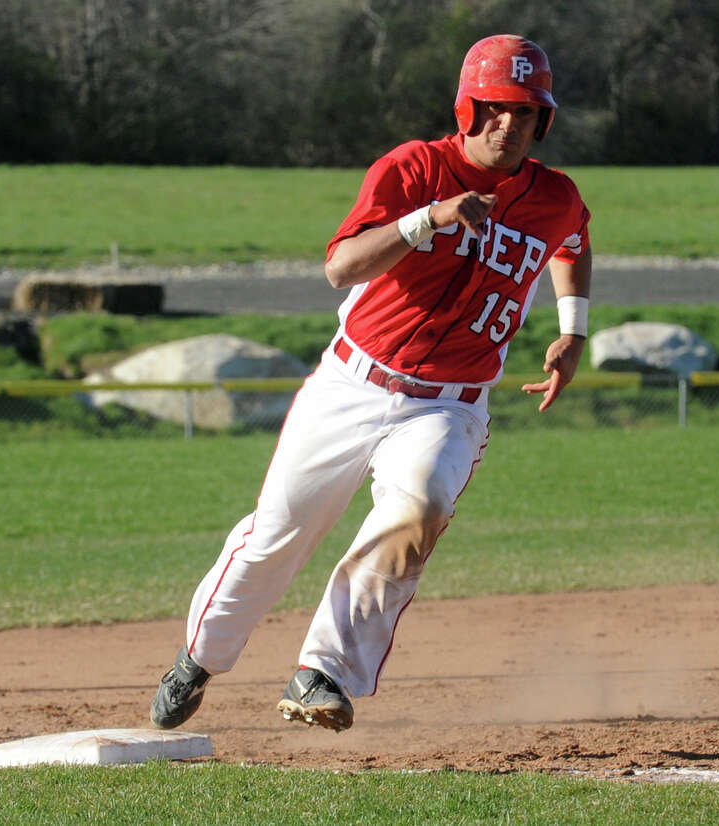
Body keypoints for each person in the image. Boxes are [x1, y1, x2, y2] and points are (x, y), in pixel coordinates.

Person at [149, 34, 592, 733]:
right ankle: (199, 657)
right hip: (352, 383)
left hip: (448, 406)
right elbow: (342, 266)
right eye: (496, 107)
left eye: (526, 111)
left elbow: (573, 242)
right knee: (277, 535)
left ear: (544, 120)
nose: (510, 123)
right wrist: (428, 218)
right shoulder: (415, 168)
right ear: (469, 108)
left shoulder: (554, 196)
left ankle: (322, 672)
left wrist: (573, 330)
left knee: (419, 509)